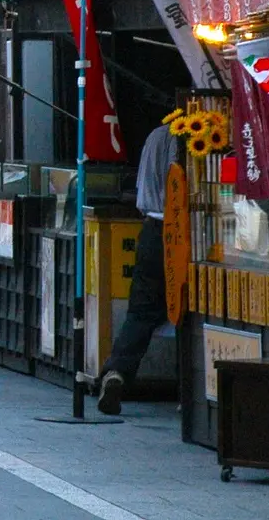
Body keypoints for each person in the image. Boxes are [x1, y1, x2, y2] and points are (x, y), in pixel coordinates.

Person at [97, 121, 179, 415]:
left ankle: (117, 371)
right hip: (180, 232)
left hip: (151, 230)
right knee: (188, 310)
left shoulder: (155, 135)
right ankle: (190, 388)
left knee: (141, 312)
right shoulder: (186, 138)